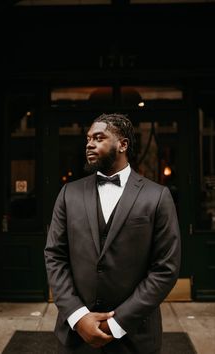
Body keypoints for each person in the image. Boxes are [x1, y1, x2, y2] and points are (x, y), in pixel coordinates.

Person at [44, 113, 181, 354]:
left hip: (135, 336)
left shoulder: (157, 196)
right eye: (88, 139)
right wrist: (78, 316)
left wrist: (116, 324)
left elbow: (165, 268)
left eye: (98, 138)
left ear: (123, 144)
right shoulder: (68, 193)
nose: (89, 144)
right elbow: (55, 256)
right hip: (76, 337)